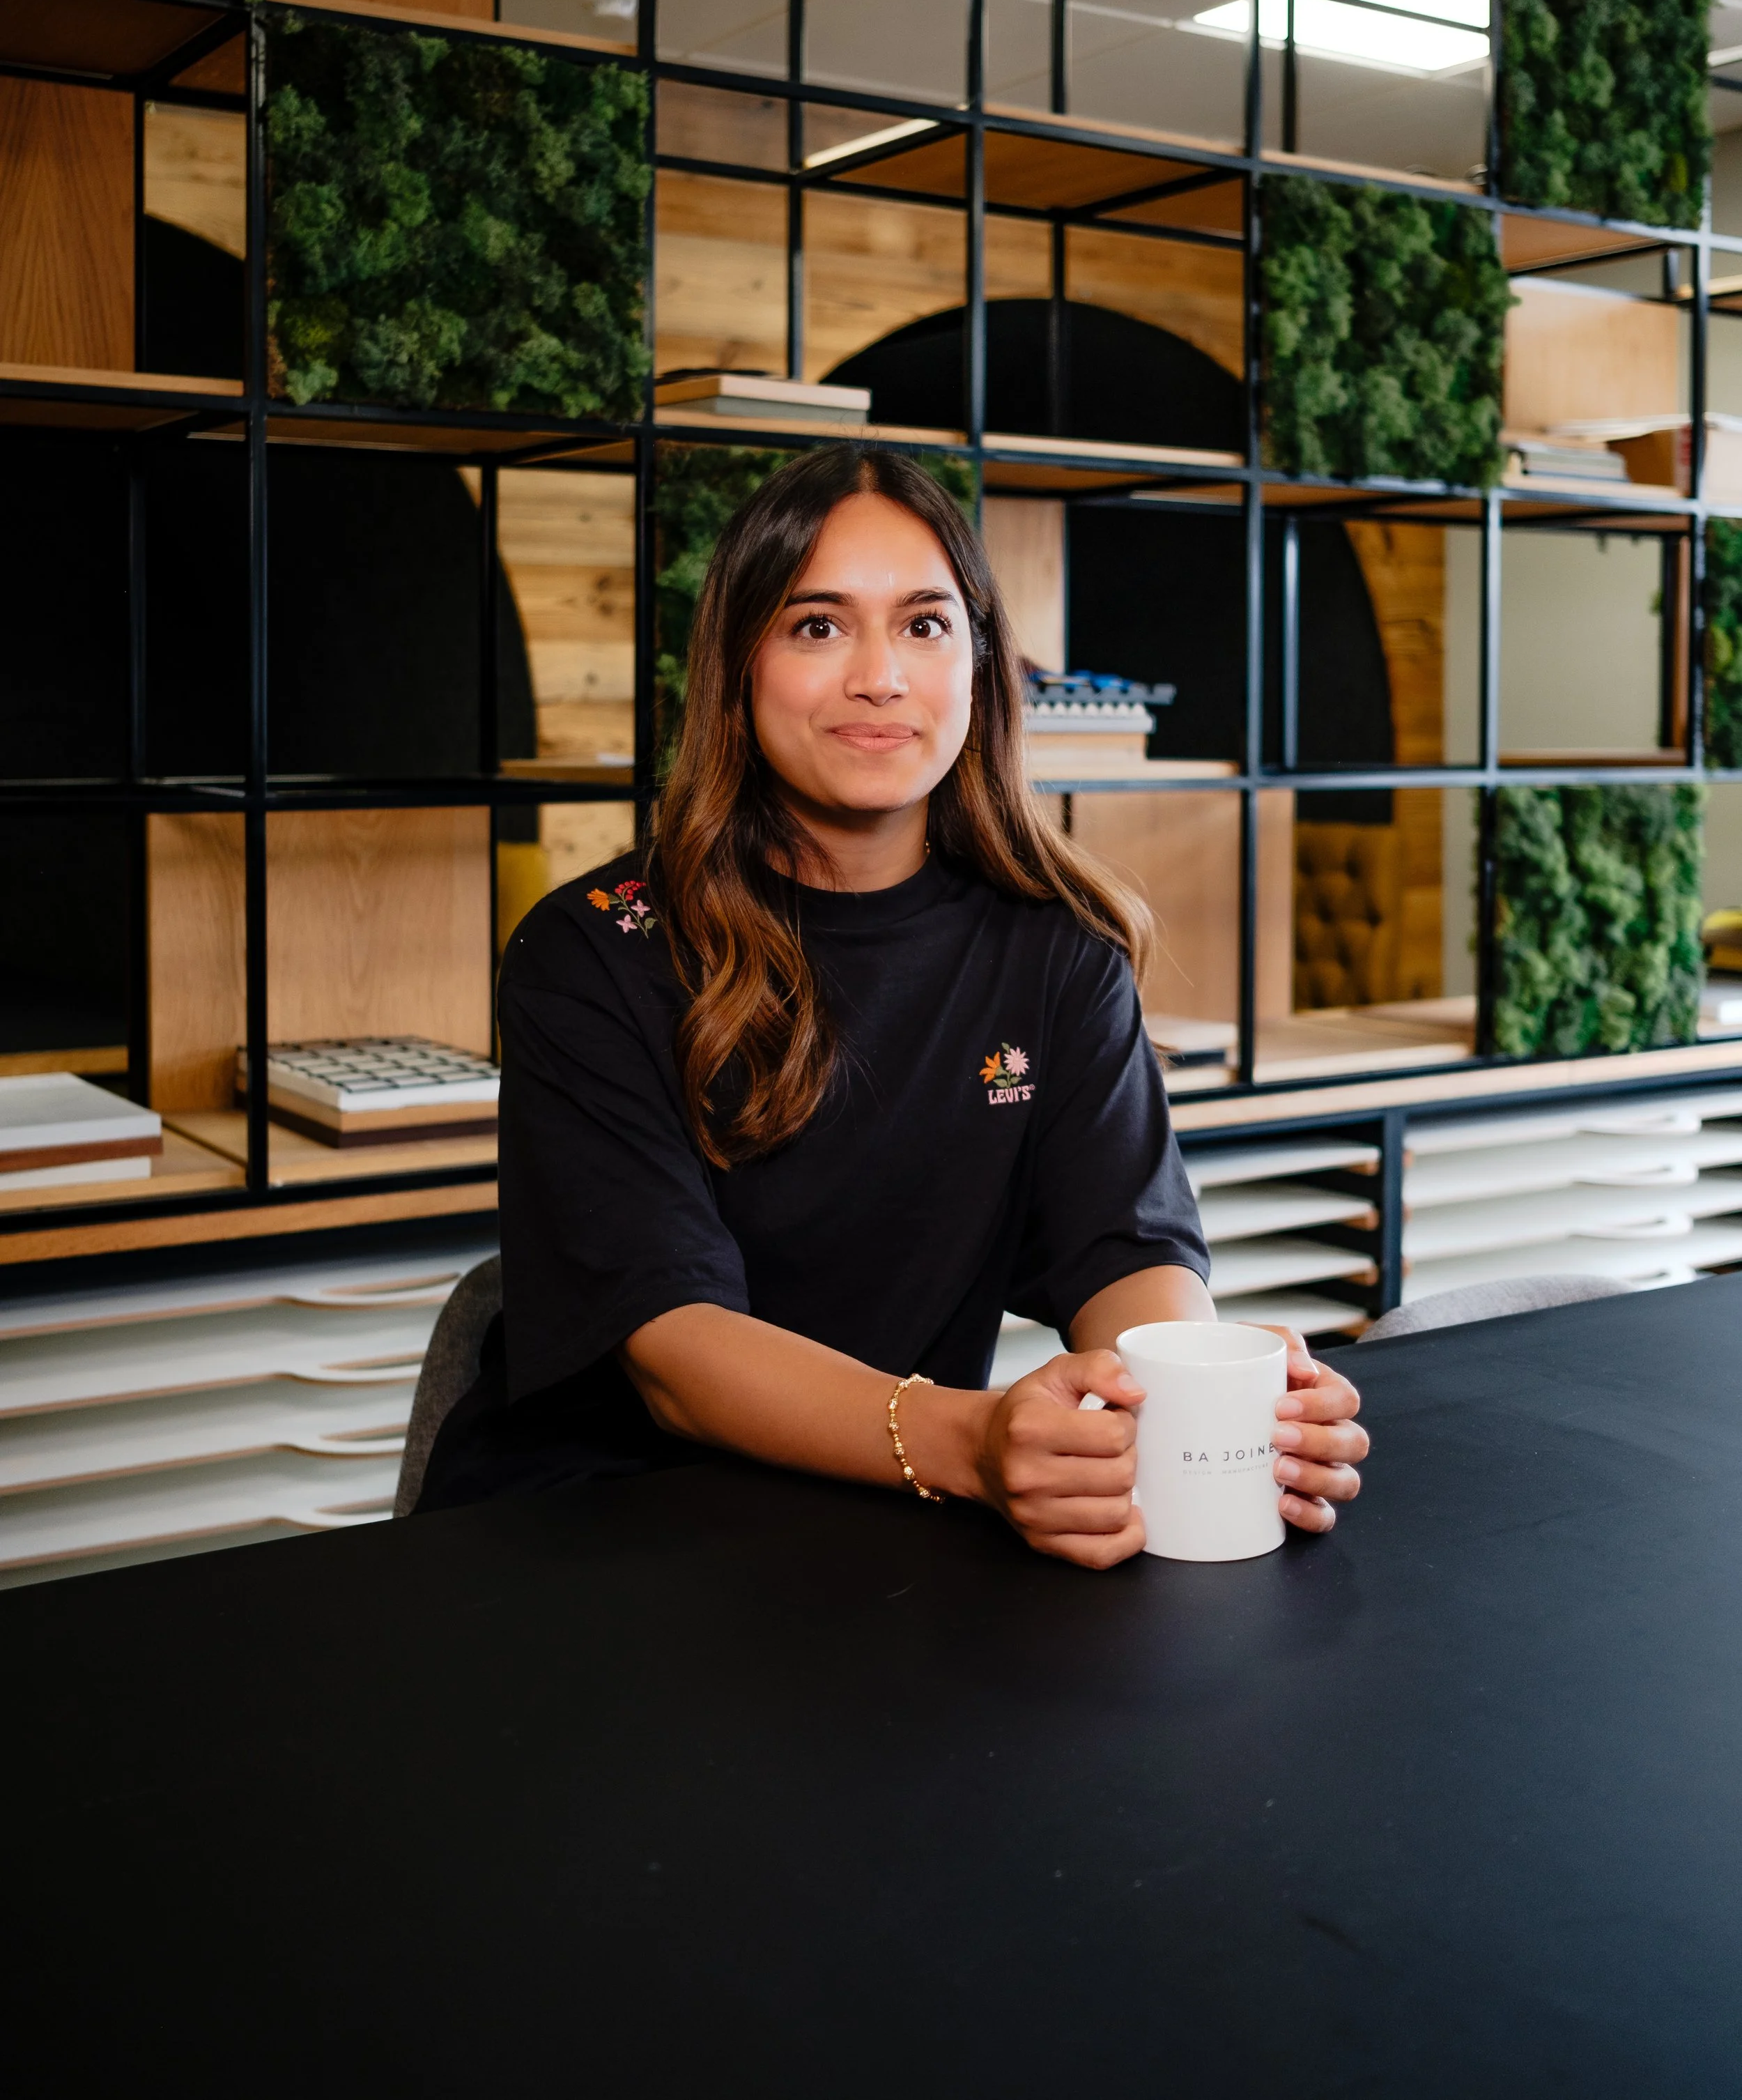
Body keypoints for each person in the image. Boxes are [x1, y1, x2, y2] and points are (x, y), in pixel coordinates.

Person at [419, 446, 1367, 1563]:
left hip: (896, 1541)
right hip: (601, 1540)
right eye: (818, 625)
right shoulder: (591, 952)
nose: (882, 675)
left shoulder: (1058, 947)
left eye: (925, 624)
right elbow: (672, 1350)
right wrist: (972, 1440)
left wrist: (1202, 1413)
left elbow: (1125, 1252)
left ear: (979, 664)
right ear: (738, 664)